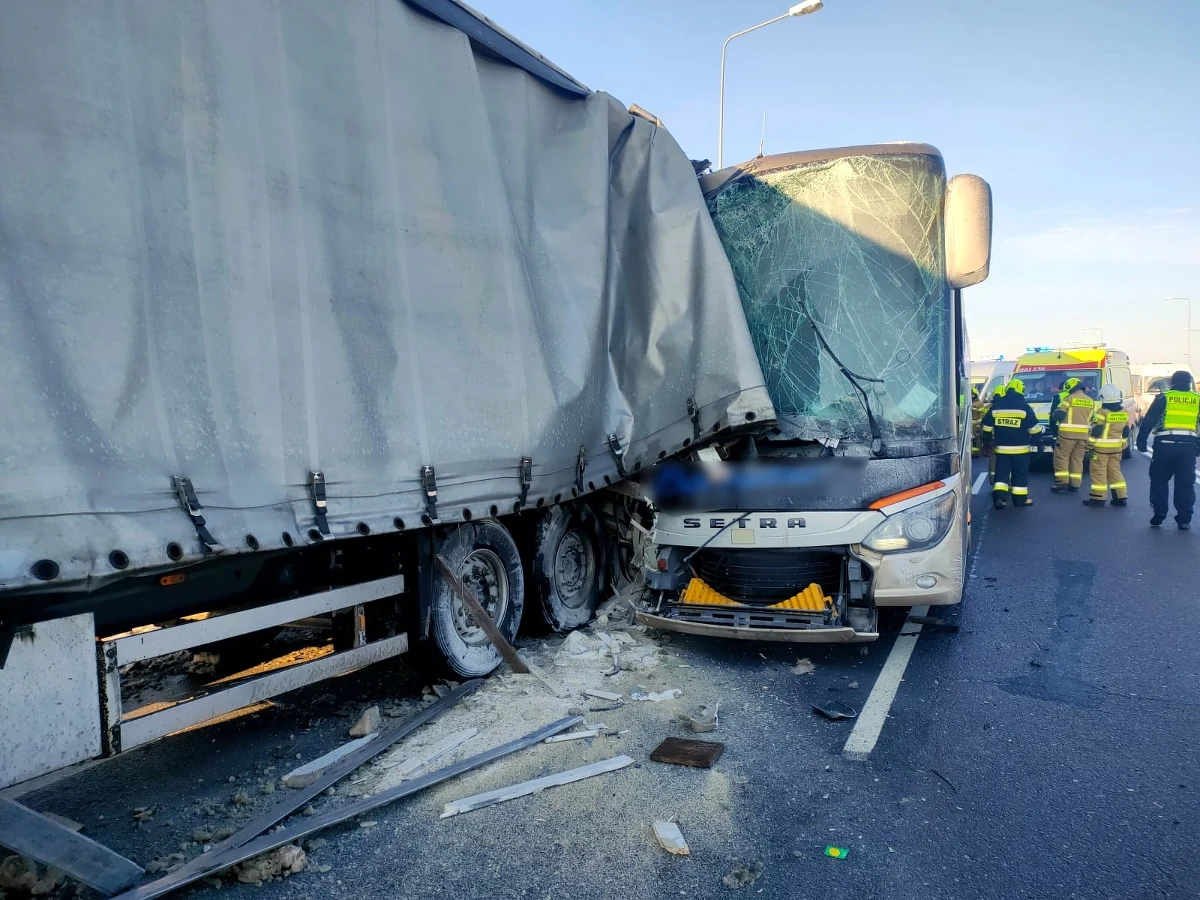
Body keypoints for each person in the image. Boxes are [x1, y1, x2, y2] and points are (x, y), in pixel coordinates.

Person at [1136, 369, 1200, 529]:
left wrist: (1141, 441)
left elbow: (1148, 421)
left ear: (1173, 383)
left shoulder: (1164, 398)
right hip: (1188, 448)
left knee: (1159, 480)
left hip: (1164, 446)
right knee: (1185, 483)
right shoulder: (1197, 400)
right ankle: (1184, 519)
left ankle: (1160, 512)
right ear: (1190, 383)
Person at [980, 378, 1043, 509]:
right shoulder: (1024, 407)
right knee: (1020, 475)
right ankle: (1020, 500)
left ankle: (1000, 498)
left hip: (1002, 449)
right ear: (1021, 390)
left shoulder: (997, 406)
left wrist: (986, 442)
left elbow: (986, 426)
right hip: (1021, 450)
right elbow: (1034, 429)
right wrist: (1038, 443)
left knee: (1001, 474)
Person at [1083, 384, 1130, 507]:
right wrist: (1124, 444)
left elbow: (1097, 430)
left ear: (1103, 397)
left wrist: (1089, 446)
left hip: (1100, 449)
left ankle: (1098, 499)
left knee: (1099, 473)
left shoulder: (1102, 412)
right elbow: (1126, 430)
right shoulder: (1124, 411)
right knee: (1115, 472)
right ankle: (1121, 498)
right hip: (1116, 449)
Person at [1050, 377, 1094, 492]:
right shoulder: (1090, 401)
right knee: (1077, 460)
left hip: (1067, 435)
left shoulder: (1068, 399)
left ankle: (1062, 482)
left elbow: (1059, 415)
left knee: (1061, 458)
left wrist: (1054, 414)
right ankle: (1075, 484)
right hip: (1083, 437)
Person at [984, 382, 1007, 485]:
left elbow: (984, 422)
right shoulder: (1004, 407)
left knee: (993, 460)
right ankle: (1006, 480)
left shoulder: (988, 406)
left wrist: (985, 441)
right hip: (1003, 437)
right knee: (1006, 459)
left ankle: (993, 479)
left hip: (991, 437)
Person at [970, 388, 988, 455]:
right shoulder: (970, 403)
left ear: (975, 395)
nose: (971, 396)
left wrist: (978, 424)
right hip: (971, 424)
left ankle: (975, 452)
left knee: (975, 438)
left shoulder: (979, 403)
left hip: (975, 424)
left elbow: (982, 413)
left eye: (972, 394)